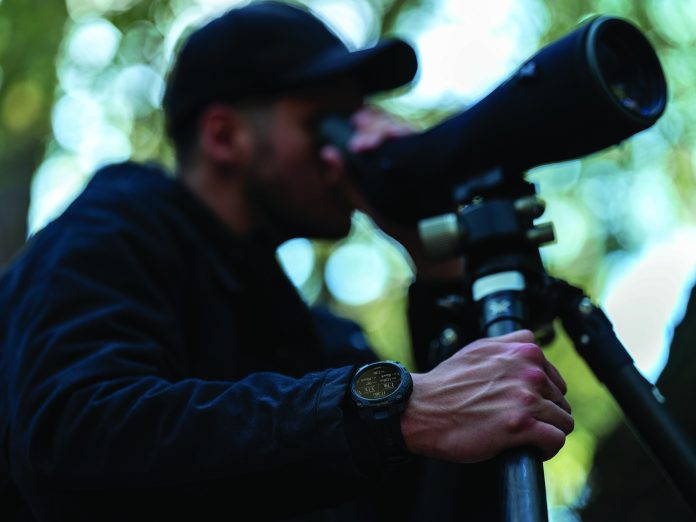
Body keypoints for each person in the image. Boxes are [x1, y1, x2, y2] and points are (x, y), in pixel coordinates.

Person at [0, 2, 573, 520]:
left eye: (356, 121)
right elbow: (71, 438)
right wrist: (391, 409)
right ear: (224, 137)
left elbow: (432, 505)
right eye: (325, 124)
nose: (346, 154)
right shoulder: (112, 231)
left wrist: (441, 274)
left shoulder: (314, 339)